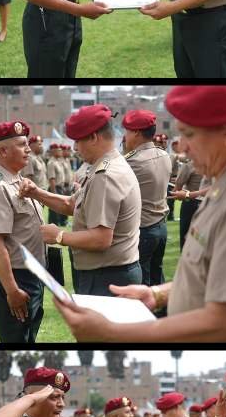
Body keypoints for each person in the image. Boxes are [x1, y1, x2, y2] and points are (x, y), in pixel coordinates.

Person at [54, 85, 226, 343]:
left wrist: (111, 332)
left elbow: (223, 324)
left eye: (189, 134)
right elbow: (218, 277)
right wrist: (159, 295)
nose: (182, 147)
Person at [18, 104, 141, 296]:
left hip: (107, 278)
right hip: (109, 273)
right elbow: (72, 204)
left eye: (77, 141)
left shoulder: (106, 175)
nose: (75, 148)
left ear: (93, 137)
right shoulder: (106, 166)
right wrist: (36, 193)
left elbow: (101, 239)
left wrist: (59, 236)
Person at [0, 121, 44, 344]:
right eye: (22, 144)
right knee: (16, 340)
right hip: (14, 277)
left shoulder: (18, 180)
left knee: (28, 338)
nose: (28, 149)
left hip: (30, 275)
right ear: (3, 151)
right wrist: (11, 290)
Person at [121, 110, 171, 286]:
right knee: (157, 279)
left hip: (144, 229)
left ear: (136, 132)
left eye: (127, 131)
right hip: (160, 226)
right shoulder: (164, 155)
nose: (124, 136)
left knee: (143, 285)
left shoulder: (132, 161)